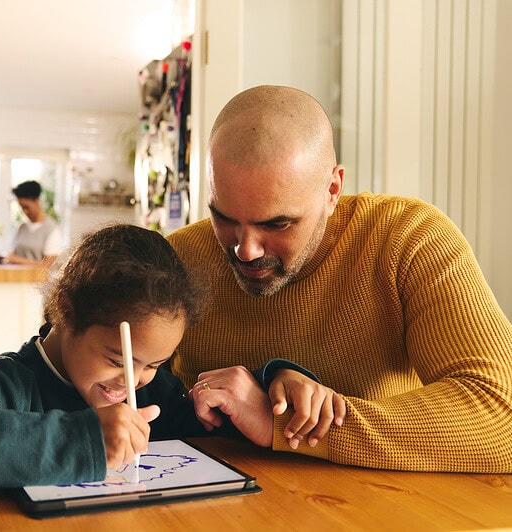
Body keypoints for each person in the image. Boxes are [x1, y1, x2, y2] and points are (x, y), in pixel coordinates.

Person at [169, 85, 512, 473]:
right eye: (224, 218)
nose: (245, 250)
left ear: (333, 189)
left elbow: (501, 415)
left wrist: (287, 426)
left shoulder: (409, 240)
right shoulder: (177, 259)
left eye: (278, 223)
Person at [0, 224, 344, 498]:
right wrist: (84, 439)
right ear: (65, 313)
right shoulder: (12, 383)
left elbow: (222, 433)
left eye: (153, 364)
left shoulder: (151, 394)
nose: (132, 382)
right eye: (118, 357)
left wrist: (278, 382)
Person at [6, 180, 62, 266]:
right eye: (21, 207)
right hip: (18, 278)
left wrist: (18, 260)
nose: (24, 211)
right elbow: (11, 255)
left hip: (37, 279)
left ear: (37, 200)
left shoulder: (52, 229)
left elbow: (48, 265)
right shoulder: (22, 227)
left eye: (26, 207)